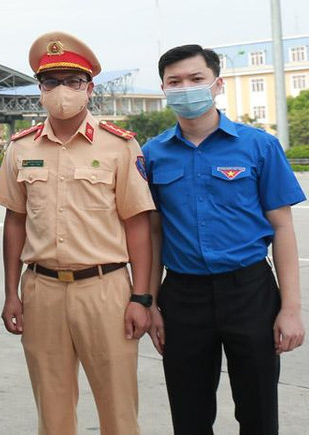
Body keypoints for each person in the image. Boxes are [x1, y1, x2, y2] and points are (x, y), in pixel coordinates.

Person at [0, 32, 156, 435]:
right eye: (51, 82)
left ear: (90, 88)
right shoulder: (20, 148)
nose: (62, 91)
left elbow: (138, 225)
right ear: (40, 89)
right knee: (52, 409)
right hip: (42, 290)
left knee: (118, 408)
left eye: (73, 81)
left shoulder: (120, 145)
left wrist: (141, 297)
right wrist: (11, 292)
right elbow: (15, 221)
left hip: (105, 290)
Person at [143, 44, 306, 435]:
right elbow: (152, 233)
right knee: (189, 413)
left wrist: (291, 308)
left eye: (196, 79)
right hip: (182, 296)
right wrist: (149, 303)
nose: (186, 88)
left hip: (249, 291)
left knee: (258, 411)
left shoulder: (258, 146)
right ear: (164, 89)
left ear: (216, 84)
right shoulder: (152, 154)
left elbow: (282, 228)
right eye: (175, 81)